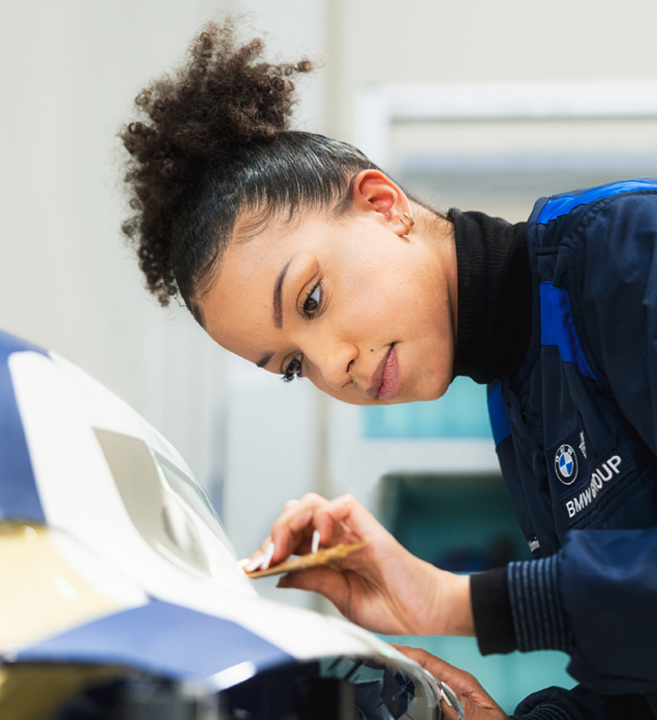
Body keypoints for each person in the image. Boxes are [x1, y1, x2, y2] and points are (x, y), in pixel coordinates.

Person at [119, 20, 657, 720]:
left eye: (311, 299)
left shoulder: (624, 251)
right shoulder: (518, 406)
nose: (333, 364)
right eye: (292, 366)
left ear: (383, 205)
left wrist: (454, 601)